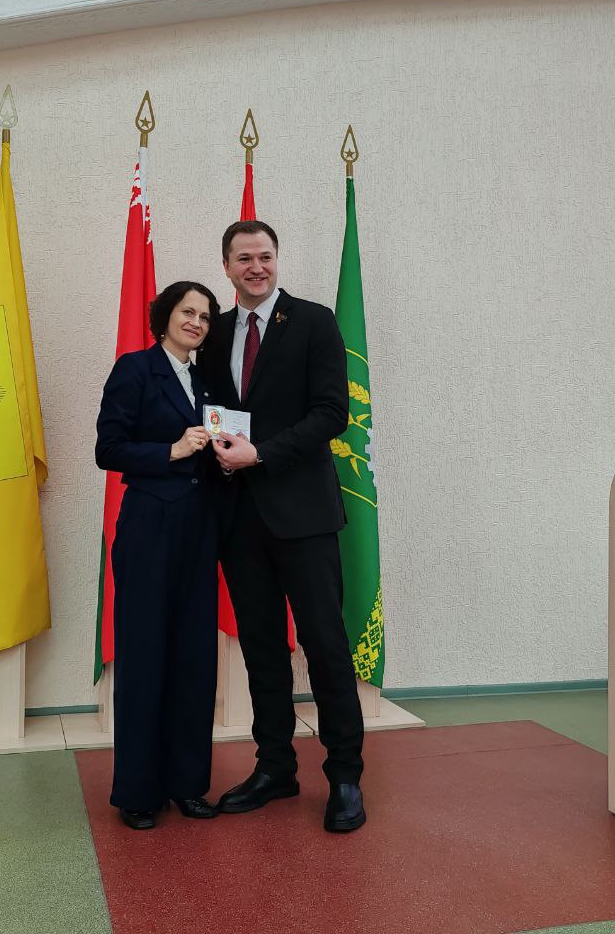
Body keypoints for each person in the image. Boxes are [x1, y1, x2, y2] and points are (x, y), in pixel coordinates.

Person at [200, 219, 367, 833]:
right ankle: (275, 767)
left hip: (304, 516)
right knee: (261, 648)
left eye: (265, 256)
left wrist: (262, 454)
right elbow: (212, 411)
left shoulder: (315, 322)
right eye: (244, 258)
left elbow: (332, 413)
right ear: (226, 266)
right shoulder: (216, 332)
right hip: (240, 518)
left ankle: (345, 776)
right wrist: (221, 450)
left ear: (277, 261)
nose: (256, 267)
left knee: (325, 645)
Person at [94, 281, 221, 830]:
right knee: (145, 656)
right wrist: (171, 450)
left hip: (200, 528)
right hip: (149, 525)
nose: (196, 322)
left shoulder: (209, 379)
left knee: (195, 657)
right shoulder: (135, 369)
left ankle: (188, 785)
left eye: (205, 317)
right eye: (187, 312)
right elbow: (108, 449)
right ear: (165, 315)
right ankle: (139, 792)